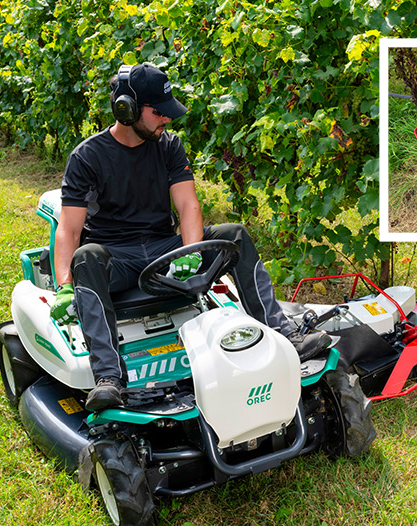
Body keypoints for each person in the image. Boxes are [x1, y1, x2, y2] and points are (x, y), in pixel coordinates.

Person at [50, 63, 331, 411]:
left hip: (161, 246)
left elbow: (188, 206)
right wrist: (64, 285)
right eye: (158, 113)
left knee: (235, 235)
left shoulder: (168, 146)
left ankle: (285, 334)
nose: (167, 120)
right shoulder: (87, 157)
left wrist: (191, 251)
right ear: (127, 109)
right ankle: (109, 378)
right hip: (116, 256)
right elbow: (70, 229)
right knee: (86, 257)